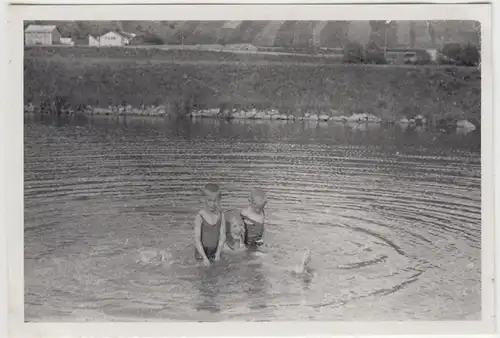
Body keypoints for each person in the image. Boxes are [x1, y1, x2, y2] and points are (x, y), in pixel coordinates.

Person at [194, 184, 226, 266]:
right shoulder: (200, 216)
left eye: (215, 201)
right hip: (201, 253)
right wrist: (204, 258)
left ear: (219, 200)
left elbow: (223, 236)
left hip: (215, 251)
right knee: (203, 273)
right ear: (204, 200)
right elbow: (197, 240)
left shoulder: (221, 215)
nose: (212, 204)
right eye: (209, 200)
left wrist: (218, 254)